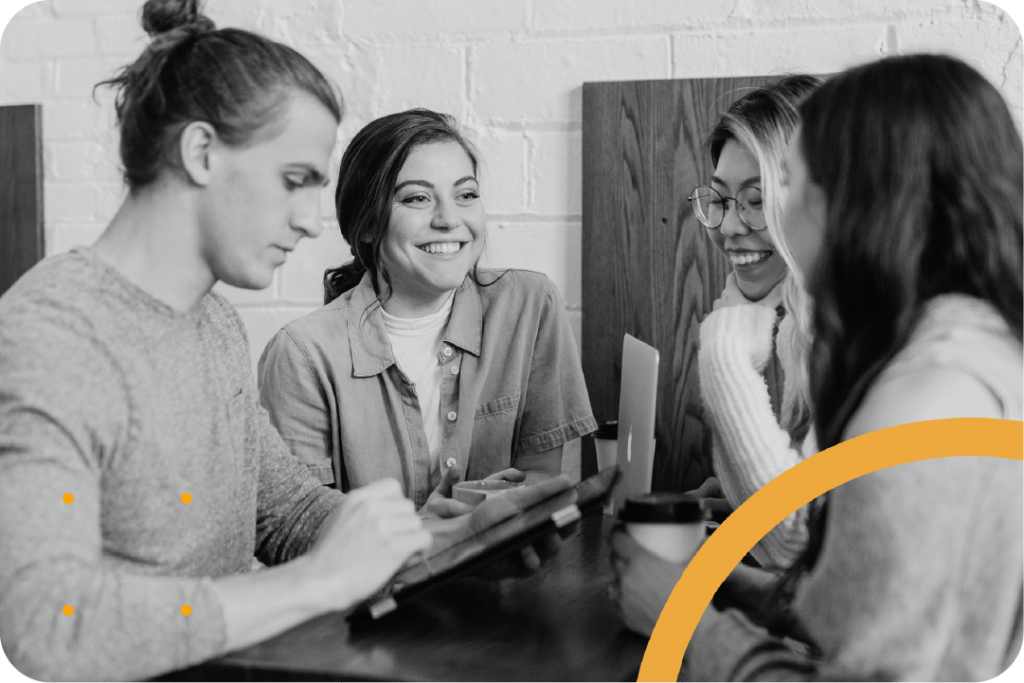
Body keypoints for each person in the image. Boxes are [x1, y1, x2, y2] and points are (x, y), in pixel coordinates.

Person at [0, 2, 571, 682]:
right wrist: (316, 583)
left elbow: (290, 512)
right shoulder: (51, 337)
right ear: (202, 152)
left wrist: (451, 547)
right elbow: (44, 624)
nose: (309, 221)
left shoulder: (211, 323)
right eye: (294, 180)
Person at [613, 53, 1024, 682]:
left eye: (791, 185)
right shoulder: (975, 347)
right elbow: (885, 614)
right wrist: (741, 589)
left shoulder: (919, 399)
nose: (761, 220)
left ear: (860, 202)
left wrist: (684, 621)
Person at [258, 108, 597, 515]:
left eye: (466, 195)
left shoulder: (529, 305)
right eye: (417, 198)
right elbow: (300, 529)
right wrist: (427, 533)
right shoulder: (301, 354)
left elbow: (542, 479)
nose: (449, 219)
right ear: (366, 224)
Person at [689, 75, 820, 569]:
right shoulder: (780, 316)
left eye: (757, 199)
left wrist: (723, 355)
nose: (728, 226)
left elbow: (795, 540)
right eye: (720, 199)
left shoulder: (856, 329)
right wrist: (741, 491)